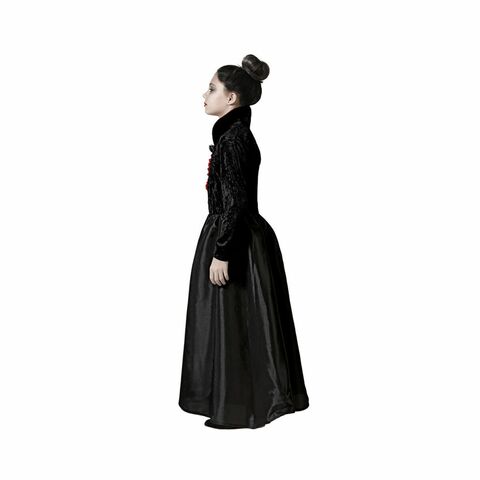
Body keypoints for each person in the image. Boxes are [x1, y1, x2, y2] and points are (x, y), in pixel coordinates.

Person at [178, 54, 309, 429]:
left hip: (236, 239)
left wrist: (222, 252)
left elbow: (235, 202)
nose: (205, 95)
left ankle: (239, 404)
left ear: (231, 98)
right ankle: (236, 399)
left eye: (212, 89)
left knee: (235, 318)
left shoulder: (234, 140)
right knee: (235, 319)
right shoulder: (232, 136)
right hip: (236, 233)